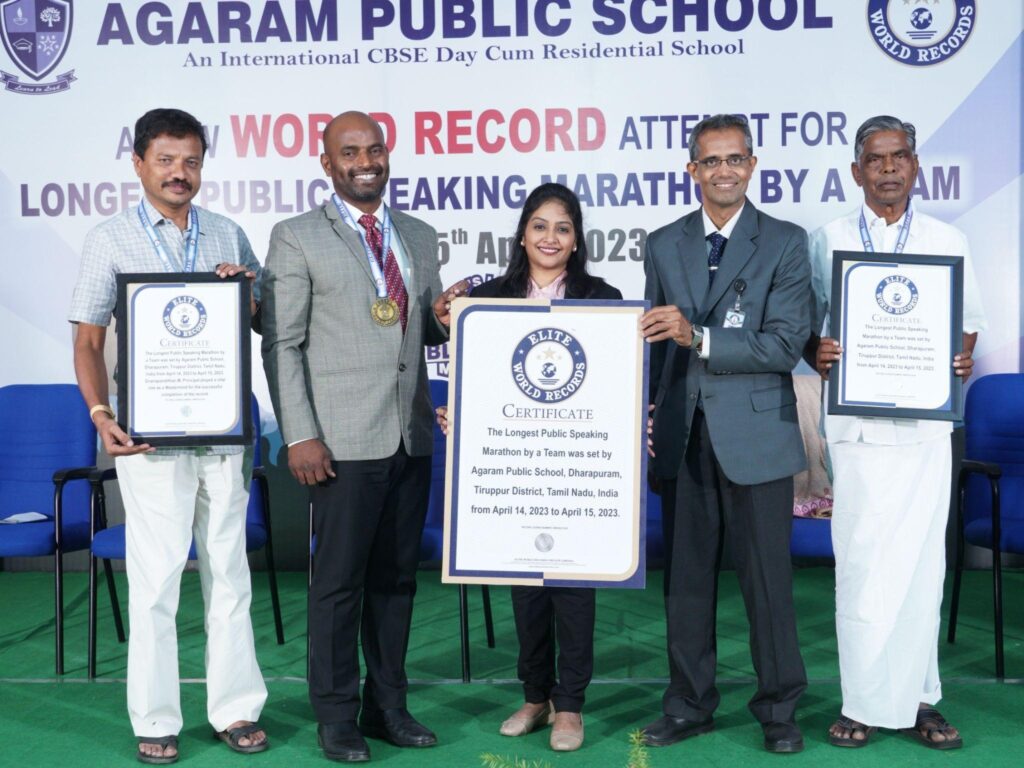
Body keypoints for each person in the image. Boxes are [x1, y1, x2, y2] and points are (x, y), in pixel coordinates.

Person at [260, 111, 466, 763]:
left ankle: (388, 706)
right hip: (339, 440)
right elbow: (283, 344)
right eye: (348, 152)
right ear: (327, 163)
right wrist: (300, 434)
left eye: (373, 149)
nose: (364, 161)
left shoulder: (419, 234)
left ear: (388, 153)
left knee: (397, 581)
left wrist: (438, 319)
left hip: (410, 435)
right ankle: (336, 717)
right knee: (339, 584)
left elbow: (417, 335)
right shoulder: (295, 238)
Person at [68, 108, 268, 765]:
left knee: (229, 574)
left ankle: (235, 709)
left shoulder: (230, 233)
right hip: (149, 439)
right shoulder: (110, 240)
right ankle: (156, 717)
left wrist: (252, 294)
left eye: (191, 161)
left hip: (224, 433)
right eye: (166, 160)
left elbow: (265, 317)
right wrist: (101, 414)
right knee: (155, 582)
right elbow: (89, 341)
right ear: (139, 163)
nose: (179, 173)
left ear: (203, 166)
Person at [806, 115, 986, 750]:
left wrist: (957, 361)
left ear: (916, 167)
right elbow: (808, 326)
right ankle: (861, 702)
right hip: (856, 426)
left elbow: (965, 326)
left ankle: (919, 700)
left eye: (900, 157)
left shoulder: (949, 238)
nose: (887, 168)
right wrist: (818, 350)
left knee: (920, 567)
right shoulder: (826, 238)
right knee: (860, 566)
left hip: (923, 428)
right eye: (875, 159)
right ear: (856, 172)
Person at [639, 114, 811, 753]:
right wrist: (652, 415)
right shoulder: (662, 243)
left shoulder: (786, 242)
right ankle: (687, 705)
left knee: (768, 581)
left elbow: (786, 342)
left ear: (753, 165)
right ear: (692, 170)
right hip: (684, 435)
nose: (724, 171)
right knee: (685, 581)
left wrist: (702, 337)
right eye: (710, 161)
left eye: (735, 159)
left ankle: (778, 710)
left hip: (757, 436)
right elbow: (658, 348)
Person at [437, 183, 621, 752]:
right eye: (540, 226)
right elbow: (477, 377)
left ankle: (570, 707)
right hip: (515, 468)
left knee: (573, 585)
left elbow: (614, 380)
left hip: (575, 466)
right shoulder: (488, 299)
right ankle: (535, 697)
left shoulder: (602, 296)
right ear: (522, 234)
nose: (550, 237)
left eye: (562, 228)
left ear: (576, 240)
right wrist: (457, 411)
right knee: (525, 584)